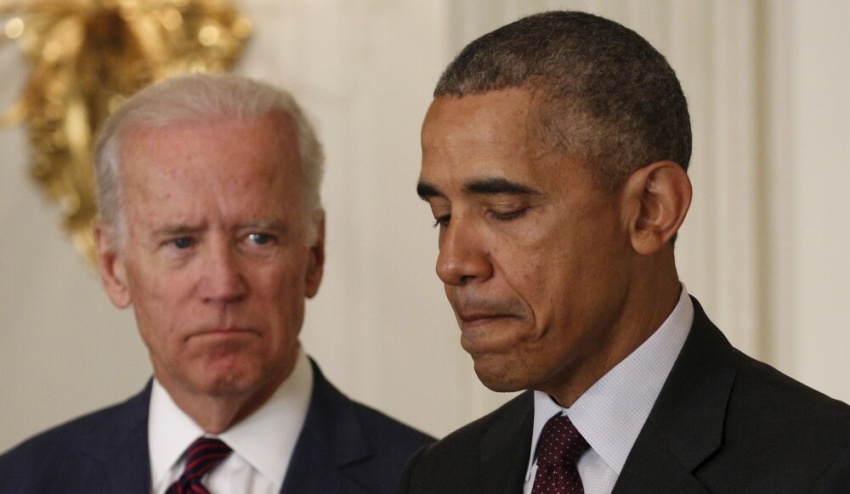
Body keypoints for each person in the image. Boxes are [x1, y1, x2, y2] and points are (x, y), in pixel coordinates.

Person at [398, 10, 850, 494]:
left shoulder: (827, 467)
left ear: (652, 210)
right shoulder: (438, 475)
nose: (452, 263)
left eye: (505, 210)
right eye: (442, 216)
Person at [0, 73, 433, 493]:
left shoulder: (435, 481)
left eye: (258, 238)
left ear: (313, 256)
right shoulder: (23, 481)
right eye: (181, 242)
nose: (224, 285)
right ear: (114, 267)